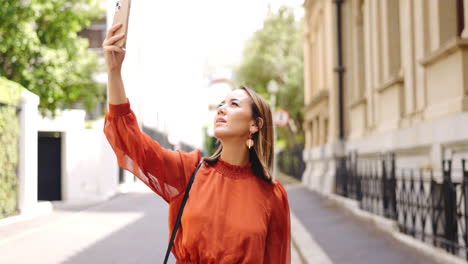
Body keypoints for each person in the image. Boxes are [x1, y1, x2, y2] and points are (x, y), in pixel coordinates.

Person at [102, 23, 291, 264]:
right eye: (221, 104)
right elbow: (130, 140)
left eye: (234, 104)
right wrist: (114, 72)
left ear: (255, 125)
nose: (222, 108)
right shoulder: (189, 171)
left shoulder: (272, 195)